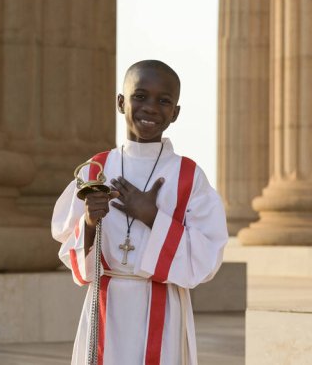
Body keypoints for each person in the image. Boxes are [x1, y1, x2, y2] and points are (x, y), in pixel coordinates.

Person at [51, 60, 228, 364]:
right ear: (121, 102)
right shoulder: (97, 169)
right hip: (106, 303)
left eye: (164, 101)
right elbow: (67, 242)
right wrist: (90, 223)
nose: (150, 108)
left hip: (162, 307)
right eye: (140, 96)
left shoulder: (187, 175)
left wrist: (152, 217)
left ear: (175, 113)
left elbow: (208, 256)